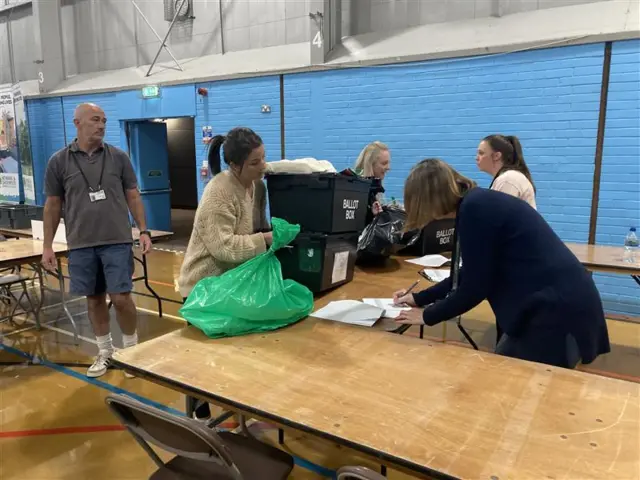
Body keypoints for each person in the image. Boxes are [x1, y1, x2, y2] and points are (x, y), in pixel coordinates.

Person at [393, 159, 610, 369]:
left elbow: (475, 288)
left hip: (555, 310)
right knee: (505, 379)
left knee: (514, 383)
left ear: (429, 199)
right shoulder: (475, 203)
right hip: (556, 302)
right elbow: (468, 274)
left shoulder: (475, 209)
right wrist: (419, 298)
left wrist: (427, 315)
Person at [42, 103, 152, 378]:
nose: (101, 125)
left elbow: (133, 195)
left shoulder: (118, 157)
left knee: (122, 297)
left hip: (116, 240)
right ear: (77, 122)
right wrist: (47, 246)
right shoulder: (59, 161)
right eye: (95, 120)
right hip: (80, 243)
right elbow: (53, 205)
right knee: (94, 298)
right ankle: (106, 351)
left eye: (103, 120)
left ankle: (131, 351)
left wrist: (143, 229)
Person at [178, 126, 271, 419]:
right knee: (200, 364)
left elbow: (256, 228)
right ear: (235, 164)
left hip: (229, 285)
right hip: (202, 288)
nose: (263, 167)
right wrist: (266, 240)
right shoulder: (218, 192)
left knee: (234, 357)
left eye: (263, 159)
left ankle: (236, 407)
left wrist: (273, 233)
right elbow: (225, 248)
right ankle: (200, 418)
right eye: (255, 163)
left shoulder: (255, 185)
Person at [476, 134, 537, 209]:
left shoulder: (508, 179)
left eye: (481, 153)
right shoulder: (507, 178)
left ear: (496, 156)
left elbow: (501, 216)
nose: (476, 158)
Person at [354, 141, 391, 218]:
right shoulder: (357, 192)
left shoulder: (375, 189)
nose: (388, 168)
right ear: (370, 164)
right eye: (384, 163)